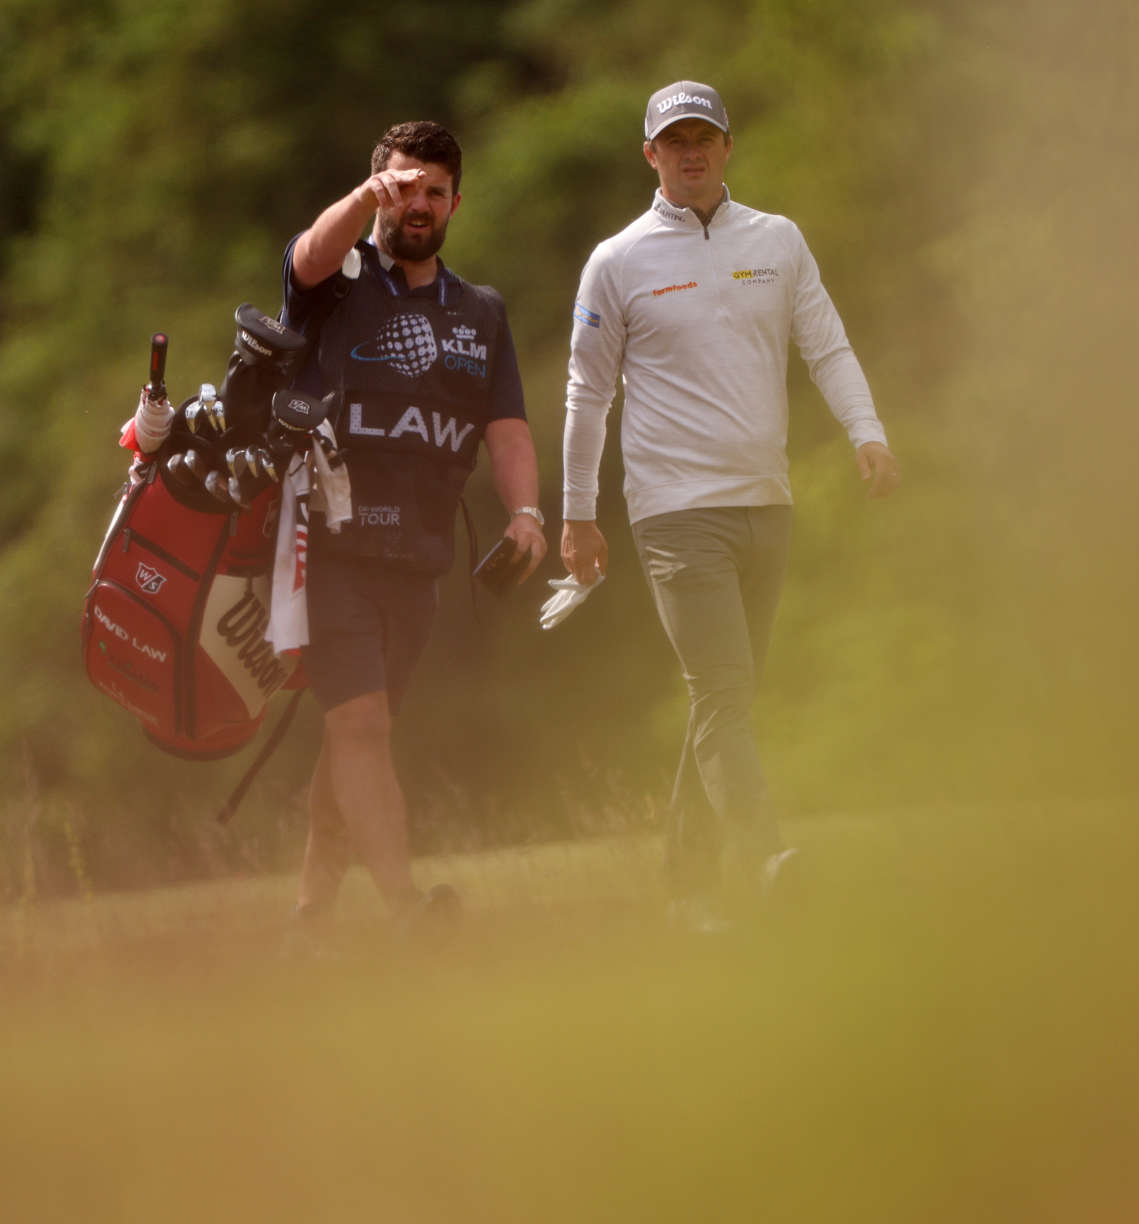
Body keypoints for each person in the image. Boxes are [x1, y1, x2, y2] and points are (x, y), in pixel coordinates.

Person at [560, 81, 900, 933]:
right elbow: (586, 395)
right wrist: (576, 513)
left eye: (703, 136)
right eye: (673, 140)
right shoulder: (619, 259)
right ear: (650, 156)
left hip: (765, 500)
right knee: (722, 688)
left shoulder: (776, 241)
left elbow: (825, 343)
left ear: (727, 144)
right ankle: (767, 858)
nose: (690, 151)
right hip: (674, 510)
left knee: (727, 699)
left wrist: (866, 430)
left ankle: (685, 889)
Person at [280, 121, 547, 936]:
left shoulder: (480, 312)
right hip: (331, 546)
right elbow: (307, 257)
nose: (418, 204)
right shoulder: (340, 280)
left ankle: (309, 913)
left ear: (455, 202)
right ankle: (407, 909)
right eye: (403, 186)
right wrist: (365, 198)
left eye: (434, 190)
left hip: (419, 558)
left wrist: (527, 513)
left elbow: (507, 430)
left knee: (355, 734)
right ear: (380, 190)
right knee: (360, 725)